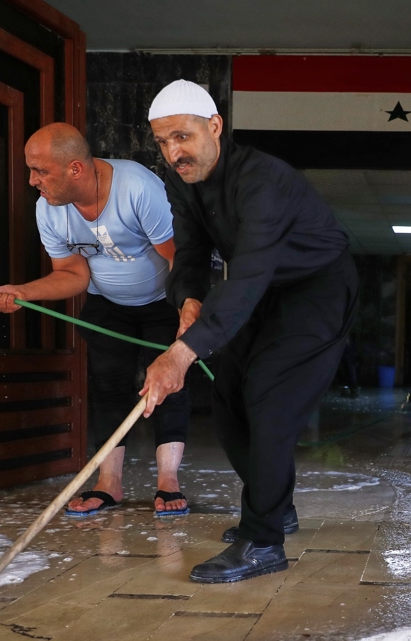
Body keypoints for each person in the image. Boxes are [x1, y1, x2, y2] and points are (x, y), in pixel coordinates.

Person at [138, 80, 358, 583]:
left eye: (183, 137)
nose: (174, 152)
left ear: (214, 127)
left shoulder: (263, 181)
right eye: (162, 141)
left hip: (317, 287)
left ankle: (263, 541)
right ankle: (275, 507)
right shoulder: (182, 177)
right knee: (230, 396)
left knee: (269, 397)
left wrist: (181, 353)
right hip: (262, 289)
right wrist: (188, 297)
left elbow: (251, 270)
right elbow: (190, 250)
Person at [0, 123, 200, 519]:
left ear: (75, 169)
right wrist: (23, 292)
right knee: (108, 385)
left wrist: (190, 307)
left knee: (168, 384)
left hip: (161, 301)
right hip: (108, 304)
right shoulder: (48, 209)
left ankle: (168, 480)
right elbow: (73, 274)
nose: (32, 181)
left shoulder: (136, 187)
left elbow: (179, 258)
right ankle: (108, 484)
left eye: (40, 171)